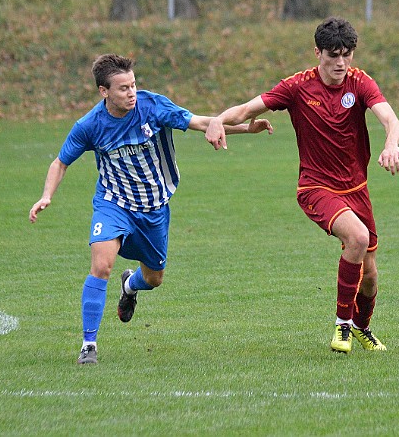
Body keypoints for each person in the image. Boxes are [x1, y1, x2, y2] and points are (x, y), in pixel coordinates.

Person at [29, 53, 272, 364]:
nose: (131, 93)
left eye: (133, 85)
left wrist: (239, 129)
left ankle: (130, 286)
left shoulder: (152, 106)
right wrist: (46, 195)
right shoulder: (90, 126)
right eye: (123, 88)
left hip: (154, 207)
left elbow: (198, 121)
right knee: (101, 265)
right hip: (113, 203)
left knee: (154, 278)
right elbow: (61, 162)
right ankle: (88, 344)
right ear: (104, 91)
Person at [205, 16, 399, 353]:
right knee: (357, 238)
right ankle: (342, 326)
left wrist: (391, 144)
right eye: (333, 55)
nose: (340, 63)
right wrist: (216, 120)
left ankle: (361, 327)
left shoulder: (360, 83)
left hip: (357, 189)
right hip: (316, 188)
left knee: (369, 276)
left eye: (347, 55)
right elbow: (244, 111)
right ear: (318, 53)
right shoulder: (297, 87)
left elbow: (390, 119)